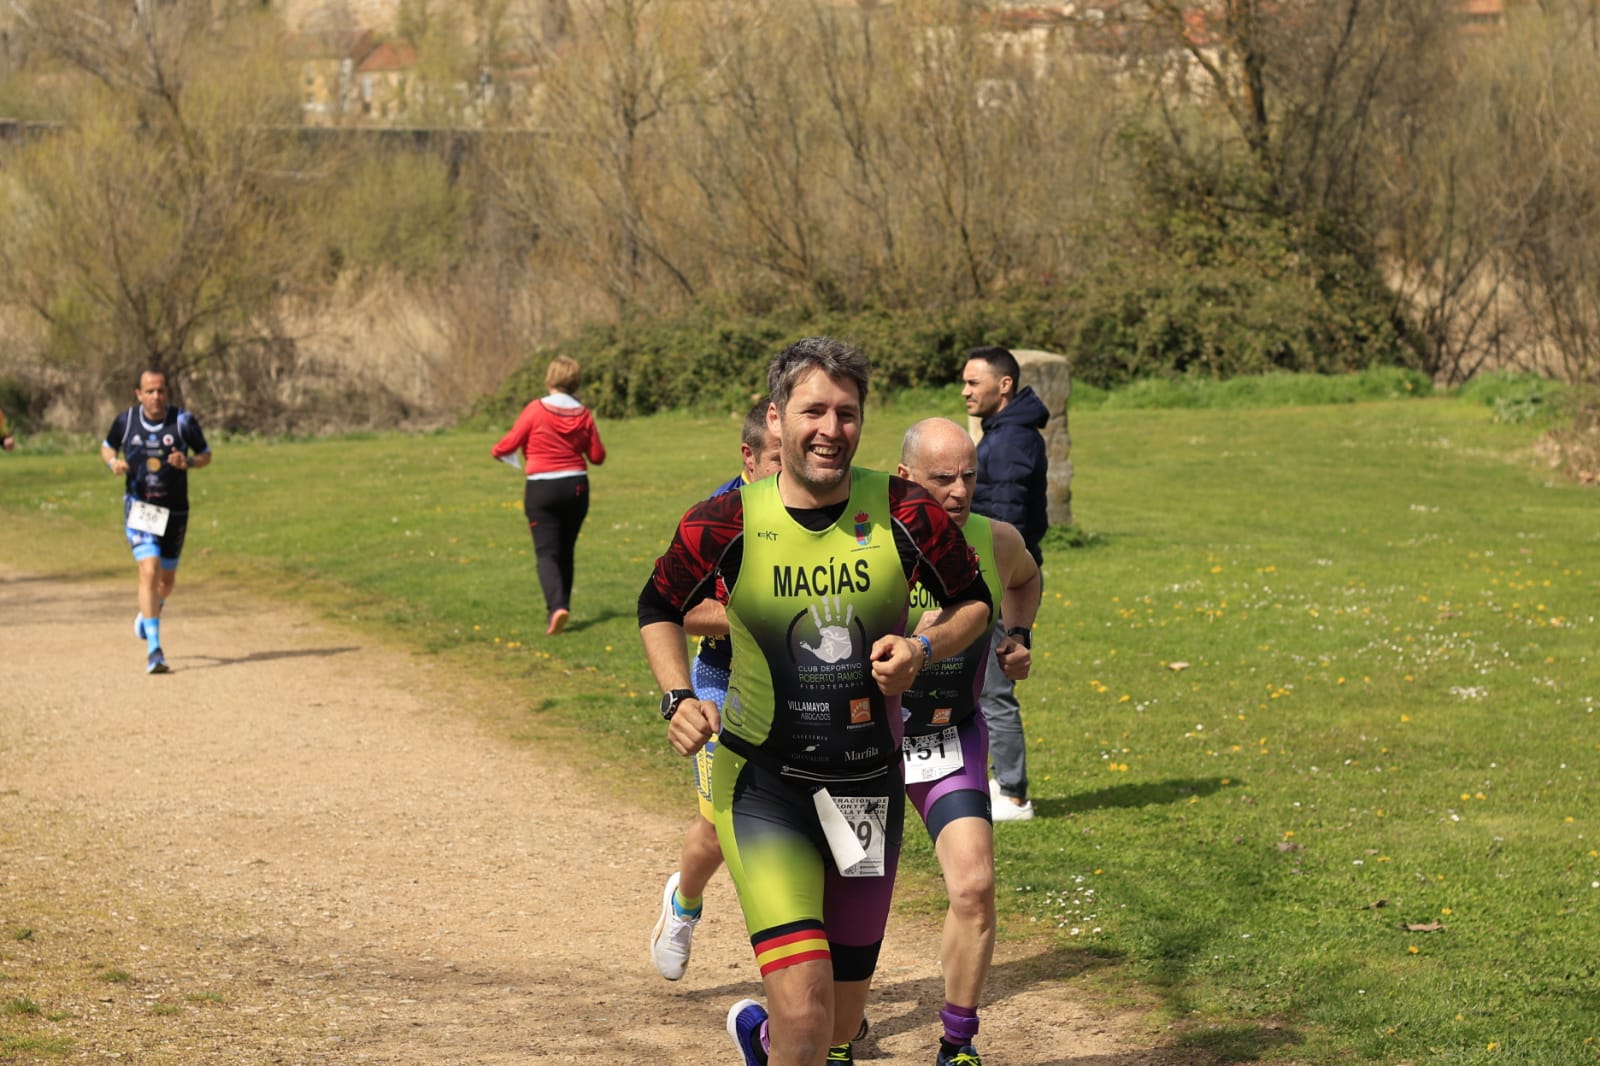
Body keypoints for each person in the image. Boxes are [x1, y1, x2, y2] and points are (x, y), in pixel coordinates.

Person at [638, 337, 992, 1066]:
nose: (831, 429)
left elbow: (974, 603)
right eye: (813, 411)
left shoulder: (905, 512)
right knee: (804, 1001)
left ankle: (762, 1041)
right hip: (765, 787)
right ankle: (782, 1031)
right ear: (776, 420)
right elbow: (658, 602)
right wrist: (677, 694)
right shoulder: (725, 522)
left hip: (867, 789)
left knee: (834, 1025)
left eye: (848, 412)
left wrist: (923, 650)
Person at [895, 418, 1041, 1066]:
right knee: (842, 895)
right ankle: (836, 1025)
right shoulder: (865, 548)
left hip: (950, 737)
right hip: (863, 747)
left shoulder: (993, 539)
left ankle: (957, 1044)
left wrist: (1018, 637)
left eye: (969, 476)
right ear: (904, 480)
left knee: (975, 887)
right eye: (941, 478)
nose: (958, 492)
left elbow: (1026, 579)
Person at [650, 396, 782, 981]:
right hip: (723, 684)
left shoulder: (829, 509)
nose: (792, 469)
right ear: (749, 458)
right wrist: (752, 614)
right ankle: (683, 903)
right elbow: (672, 607)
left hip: (805, 688)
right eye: (779, 457)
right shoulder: (718, 518)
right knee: (721, 829)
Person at [961, 345, 1049, 821]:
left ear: (1005, 384)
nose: (965, 391)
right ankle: (1001, 781)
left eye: (974, 382)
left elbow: (1009, 527)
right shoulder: (1004, 433)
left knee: (994, 690)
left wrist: (990, 579)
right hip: (993, 577)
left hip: (1002, 581)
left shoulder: (1012, 441)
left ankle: (1014, 795)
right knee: (982, 687)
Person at [100, 369, 213, 674]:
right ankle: (155, 649)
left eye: (160, 391)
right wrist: (113, 462)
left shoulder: (183, 422)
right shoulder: (126, 421)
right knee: (149, 570)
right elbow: (107, 445)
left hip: (175, 509)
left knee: (166, 581)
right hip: (141, 506)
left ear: (167, 392)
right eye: (149, 391)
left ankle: (147, 613)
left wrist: (187, 462)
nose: (156, 397)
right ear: (139, 394)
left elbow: (205, 454)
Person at [491, 354, 606, 636]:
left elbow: (505, 445)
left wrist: (511, 454)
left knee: (546, 552)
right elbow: (597, 456)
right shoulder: (583, 413)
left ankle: (556, 607)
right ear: (576, 381)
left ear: (550, 379)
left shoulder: (535, 409)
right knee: (566, 551)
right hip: (576, 487)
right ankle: (562, 605)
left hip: (542, 487)